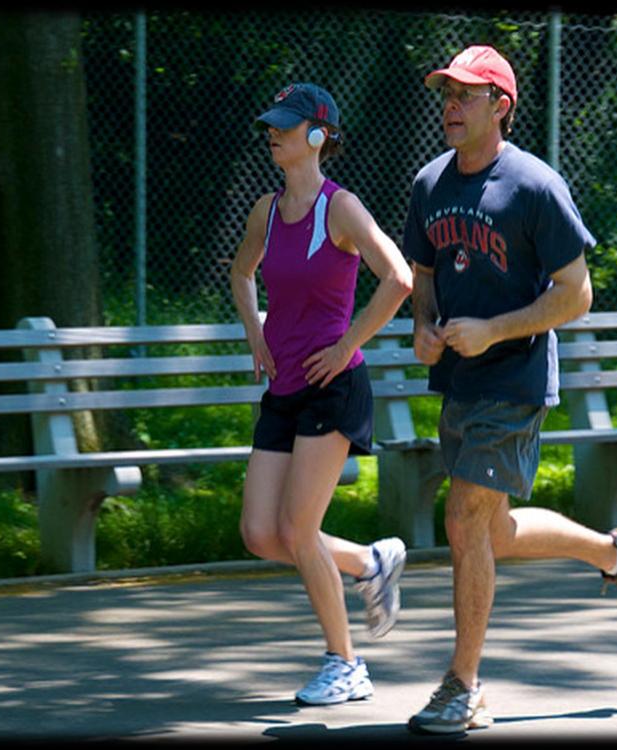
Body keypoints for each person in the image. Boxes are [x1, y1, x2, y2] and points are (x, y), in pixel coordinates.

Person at [401, 45, 617, 734]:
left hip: (513, 381)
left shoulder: (535, 187)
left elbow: (576, 294)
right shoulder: (430, 183)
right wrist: (425, 326)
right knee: (490, 529)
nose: (450, 107)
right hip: (459, 379)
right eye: (445, 95)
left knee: (462, 520)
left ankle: (463, 685)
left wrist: (496, 330)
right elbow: (422, 276)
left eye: (465, 95)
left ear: (500, 106)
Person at [230, 82, 413, 706]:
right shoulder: (265, 210)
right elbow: (241, 272)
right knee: (261, 533)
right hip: (283, 387)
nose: (272, 134)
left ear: (317, 135)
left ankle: (346, 664)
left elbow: (399, 278)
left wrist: (346, 346)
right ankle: (369, 563)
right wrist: (256, 330)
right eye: (270, 125)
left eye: (285, 125)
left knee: (298, 529)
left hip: (334, 389)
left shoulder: (341, 209)